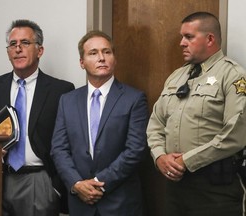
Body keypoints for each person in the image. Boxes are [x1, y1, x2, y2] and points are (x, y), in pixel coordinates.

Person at [0, 19, 75, 216]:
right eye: (13, 44)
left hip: (40, 181)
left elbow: (69, 143)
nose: (18, 49)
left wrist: (55, 188)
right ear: (8, 52)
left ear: (40, 50)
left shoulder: (61, 90)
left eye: (25, 43)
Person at [147, 11, 246, 216]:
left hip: (214, 190)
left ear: (210, 39)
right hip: (175, 188)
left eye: (189, 37)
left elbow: (235, 135)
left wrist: (186, 161)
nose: (182, 43)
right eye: (182, 37)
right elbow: (156, 123)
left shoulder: (233, 75)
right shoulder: (176, 76)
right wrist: (159, 157)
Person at [50, 30, 149, 216]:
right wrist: (77, 184)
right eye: (93, 53)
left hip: (120, 203)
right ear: (82, 62)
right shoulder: (67, 100)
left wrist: (98, 183)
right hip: (80, 203)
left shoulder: (134, 99)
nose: (101, 58)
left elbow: (135, 150)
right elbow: (59, 149)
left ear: (114, 59)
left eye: (107, 52)